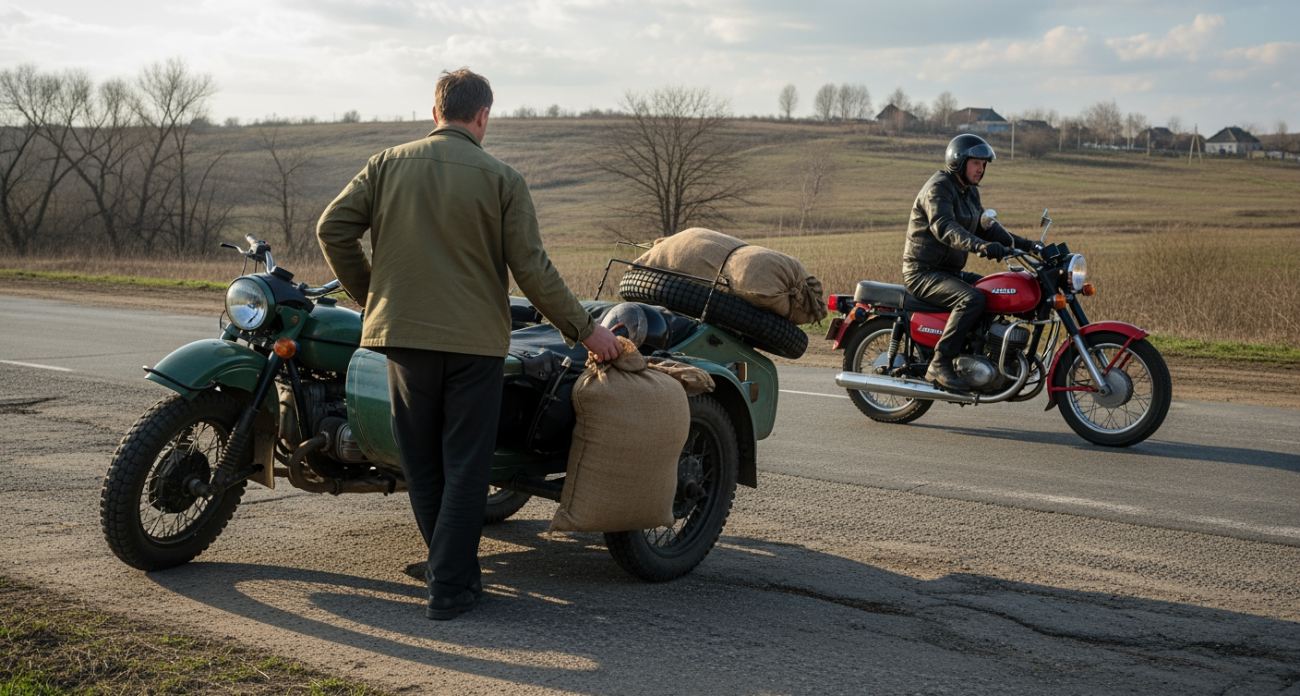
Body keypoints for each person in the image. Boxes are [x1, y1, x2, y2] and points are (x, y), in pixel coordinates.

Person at [317, 68, 620, 620]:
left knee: (423, 463)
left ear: (435, 112)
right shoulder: (502, 179)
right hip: (476, 344)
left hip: (405, 339)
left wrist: (374, 298)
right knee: (465, 466)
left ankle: (449, 575)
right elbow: (532, 269)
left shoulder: (386, 165)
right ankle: (450, 587)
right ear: (482, 117)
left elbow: (332, 228)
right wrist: (587, 329)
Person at [902, 134, 1040, 391]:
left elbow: (987, 229)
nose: (981, 169)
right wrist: (980, 246)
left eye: (984, 164)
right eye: (976, 163)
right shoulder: (938, 188)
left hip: (949, 272)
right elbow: (946, 228)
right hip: (923, 272)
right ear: (959, 161)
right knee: (972, 298)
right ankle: (940, 363)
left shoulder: (969, 193)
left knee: (994, 290)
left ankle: (981, 355)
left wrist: (1031, 246)